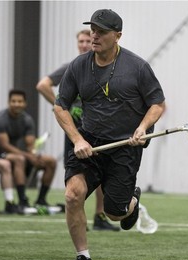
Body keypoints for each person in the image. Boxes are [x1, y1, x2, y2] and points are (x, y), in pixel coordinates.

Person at [53, 9, 166, 260]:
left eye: (101, 32)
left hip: (124, 146)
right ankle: (83, 258)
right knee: (72, 195)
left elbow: (158, 104)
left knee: (115, 214)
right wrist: (77, 139)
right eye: (92, 30)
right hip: (88, 144)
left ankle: (132, 204)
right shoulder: (78, 65)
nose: (94, 36)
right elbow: (60, 107)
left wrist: (142, 127)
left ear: (117, 36)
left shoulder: (137, 67)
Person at [36, 29, 119, 232]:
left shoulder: (107, 67)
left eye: (87, 40)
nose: (84, 44)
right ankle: (78, 215)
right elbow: (42, 85)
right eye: (81, 41)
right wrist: (64, 107)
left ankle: (99, 215)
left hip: (100, 129)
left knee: (102, 171)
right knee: (75, 173)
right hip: (76, 131)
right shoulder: (72, 67)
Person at [0, 89, 57, 209]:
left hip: (18, 153)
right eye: (13, 101)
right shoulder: (0, 119)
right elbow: (4, 146)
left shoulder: (27, 119)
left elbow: (30, 144)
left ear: (25, 103)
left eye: (20, 101)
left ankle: (41, 200)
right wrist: (28, 156)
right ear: (8, 102)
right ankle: (22, 199)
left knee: (50, 161)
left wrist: (34, 155)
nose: (17, 104)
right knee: (20, 159)